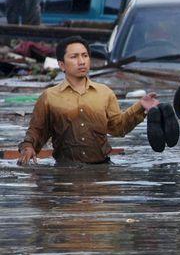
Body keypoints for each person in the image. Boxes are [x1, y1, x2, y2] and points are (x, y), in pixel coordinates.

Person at [17, 37, 159, 165]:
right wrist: (28, 147)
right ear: (61, 65)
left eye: (85, 56)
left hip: (102, 170)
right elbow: (36, 131)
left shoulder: (105, 93)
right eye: (74, 57)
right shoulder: (49, 97)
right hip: (65, 171)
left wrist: (140, 106)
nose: (81, 61)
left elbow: (118, 128)